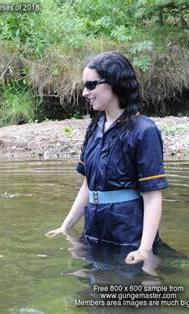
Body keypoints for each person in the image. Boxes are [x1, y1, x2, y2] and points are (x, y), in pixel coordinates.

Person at [45, 52, 169, 265]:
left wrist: (144, 250)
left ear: (114, 83)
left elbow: (152, 195)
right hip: (94, 229)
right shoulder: (95, 127)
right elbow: (88, 185)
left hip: (127, 233)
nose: (85, 93)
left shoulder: (144, 131)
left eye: (91, 85)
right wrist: (66, 226)